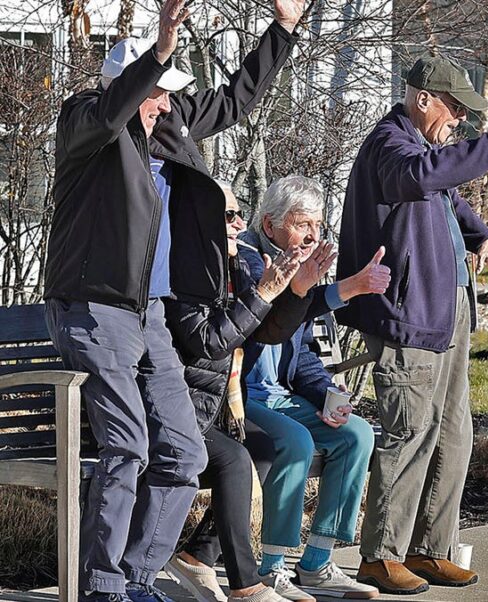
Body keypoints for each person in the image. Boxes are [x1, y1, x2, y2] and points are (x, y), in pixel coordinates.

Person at [42, 1, 304, 599]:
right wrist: (160, 45)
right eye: (157, 90)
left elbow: (235, 99)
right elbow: (113, 107)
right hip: (92, 309)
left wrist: (283, 27)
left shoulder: (166, 123)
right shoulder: (85, 123)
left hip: (152, 313)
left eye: (168, 93)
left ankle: (135, 578)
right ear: (129, 85)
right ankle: (104, 587)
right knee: (129, 443)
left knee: (185, 454)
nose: (165, 104)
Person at [335, 54, 488, 595]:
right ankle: (381, 557)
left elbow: (444, 193)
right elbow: (419, 177)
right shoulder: (391, 144)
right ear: (422, 98)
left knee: (453, 434)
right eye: (453, 108)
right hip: (408, 316)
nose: (458, 120)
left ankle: (431, 550)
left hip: (444, 312)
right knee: (410, 431)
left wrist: (483, 235)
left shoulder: (421, 145)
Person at [237, 175, 390, 599]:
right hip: (236, 397)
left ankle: (317, 562)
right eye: (304, 224)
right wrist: (340, 289)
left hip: (280, 396)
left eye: (319, 226)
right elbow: (273, 314)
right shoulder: (245, 260)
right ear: (269, 225)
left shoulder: (297, 269)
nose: (313, 236)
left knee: (356, 434)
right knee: (297, 442)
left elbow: (302, 354)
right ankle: (271, 567)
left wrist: (326, 397)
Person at [163, 183, 312, 602]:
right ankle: (247, 584)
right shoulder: (184, 272)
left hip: (206, 409)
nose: (240, 223)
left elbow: (263, 331)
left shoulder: (229, 268)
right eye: (229, 216)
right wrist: (264, 293)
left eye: (238, 214)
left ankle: (197, 554)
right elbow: (207, 343)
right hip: (172, 409)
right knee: (235, 458)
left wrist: (298, 290)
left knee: (261, 449)